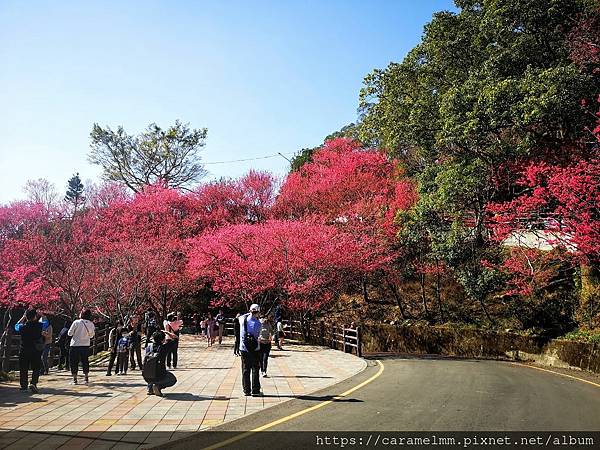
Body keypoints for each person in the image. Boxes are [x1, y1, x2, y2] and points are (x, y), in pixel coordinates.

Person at [14, 309, 48, 393]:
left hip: (24, 349)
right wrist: (42, 315)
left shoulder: (22, 327)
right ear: (35, 316)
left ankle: (23, 386)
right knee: (36, 367)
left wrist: (23, 317)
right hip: (36, 349)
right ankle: (33, 383)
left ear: (27, 317)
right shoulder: (40, 326)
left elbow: (16, 326)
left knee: (23, 368)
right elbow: (46, 323)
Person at [143, 330, 178, 396]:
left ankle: (150, 389)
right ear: (163, 339)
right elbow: (176, 338)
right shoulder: (164, 347)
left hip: (146, 375)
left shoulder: (148, 347)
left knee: (152, 370)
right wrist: (167, 333)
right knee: (173, 379)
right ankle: (158, 386)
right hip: (160, 374)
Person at [239, 304, 262, 396]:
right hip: (255, 348)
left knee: (245, 369)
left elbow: (241, 316)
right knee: (255, 368)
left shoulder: (242, 319)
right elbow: (257, 336)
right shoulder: (258, 323)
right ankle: (255, 390)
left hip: (244, 348)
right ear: (258, 312)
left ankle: (246, 390)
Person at [68, 309, 95, 385]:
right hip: (85, 345)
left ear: (82, 314)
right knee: (85, 361)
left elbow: (69, 333)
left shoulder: (76, 322)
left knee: (74, 362)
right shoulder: (91, 324)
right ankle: (86, 377)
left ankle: (75, 379)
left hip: (75, 345)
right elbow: (92, 335)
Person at [259, 313, 273, 377]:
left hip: (267, 343)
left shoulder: (268, 324)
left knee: (265, 358)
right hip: (260, 343)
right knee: (261, 358)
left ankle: (264, 371)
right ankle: (262, 370)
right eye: (262, 318)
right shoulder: (258, 324)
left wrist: (270, 337)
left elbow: (271, 332)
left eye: (264, 318)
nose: (263, 320)